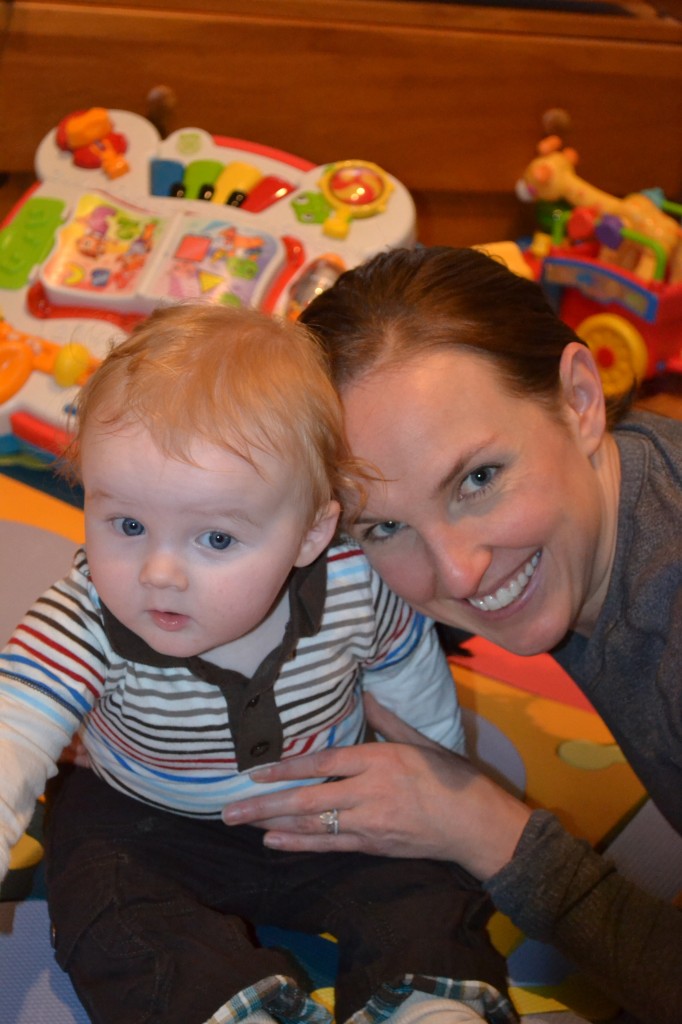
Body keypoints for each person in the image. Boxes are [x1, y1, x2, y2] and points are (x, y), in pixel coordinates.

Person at [0, 302, 518, 1024]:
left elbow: (408, 672)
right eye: (126, 524)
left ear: (310, 532)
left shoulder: (354, 584)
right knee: (103, 906)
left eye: (215, 540)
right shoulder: (86, 613)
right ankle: (225, 1009)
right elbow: (16, 720)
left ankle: (429, 1002)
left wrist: (436, 770)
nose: (158, 572)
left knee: (427, 884)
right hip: (146, 822)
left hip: (331, 804)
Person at [221, 246, 682, 1024]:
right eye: (387, 525)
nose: (459, 575)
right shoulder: (633, 478)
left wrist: (492, 832)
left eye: (478, 479)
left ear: (578, 398)